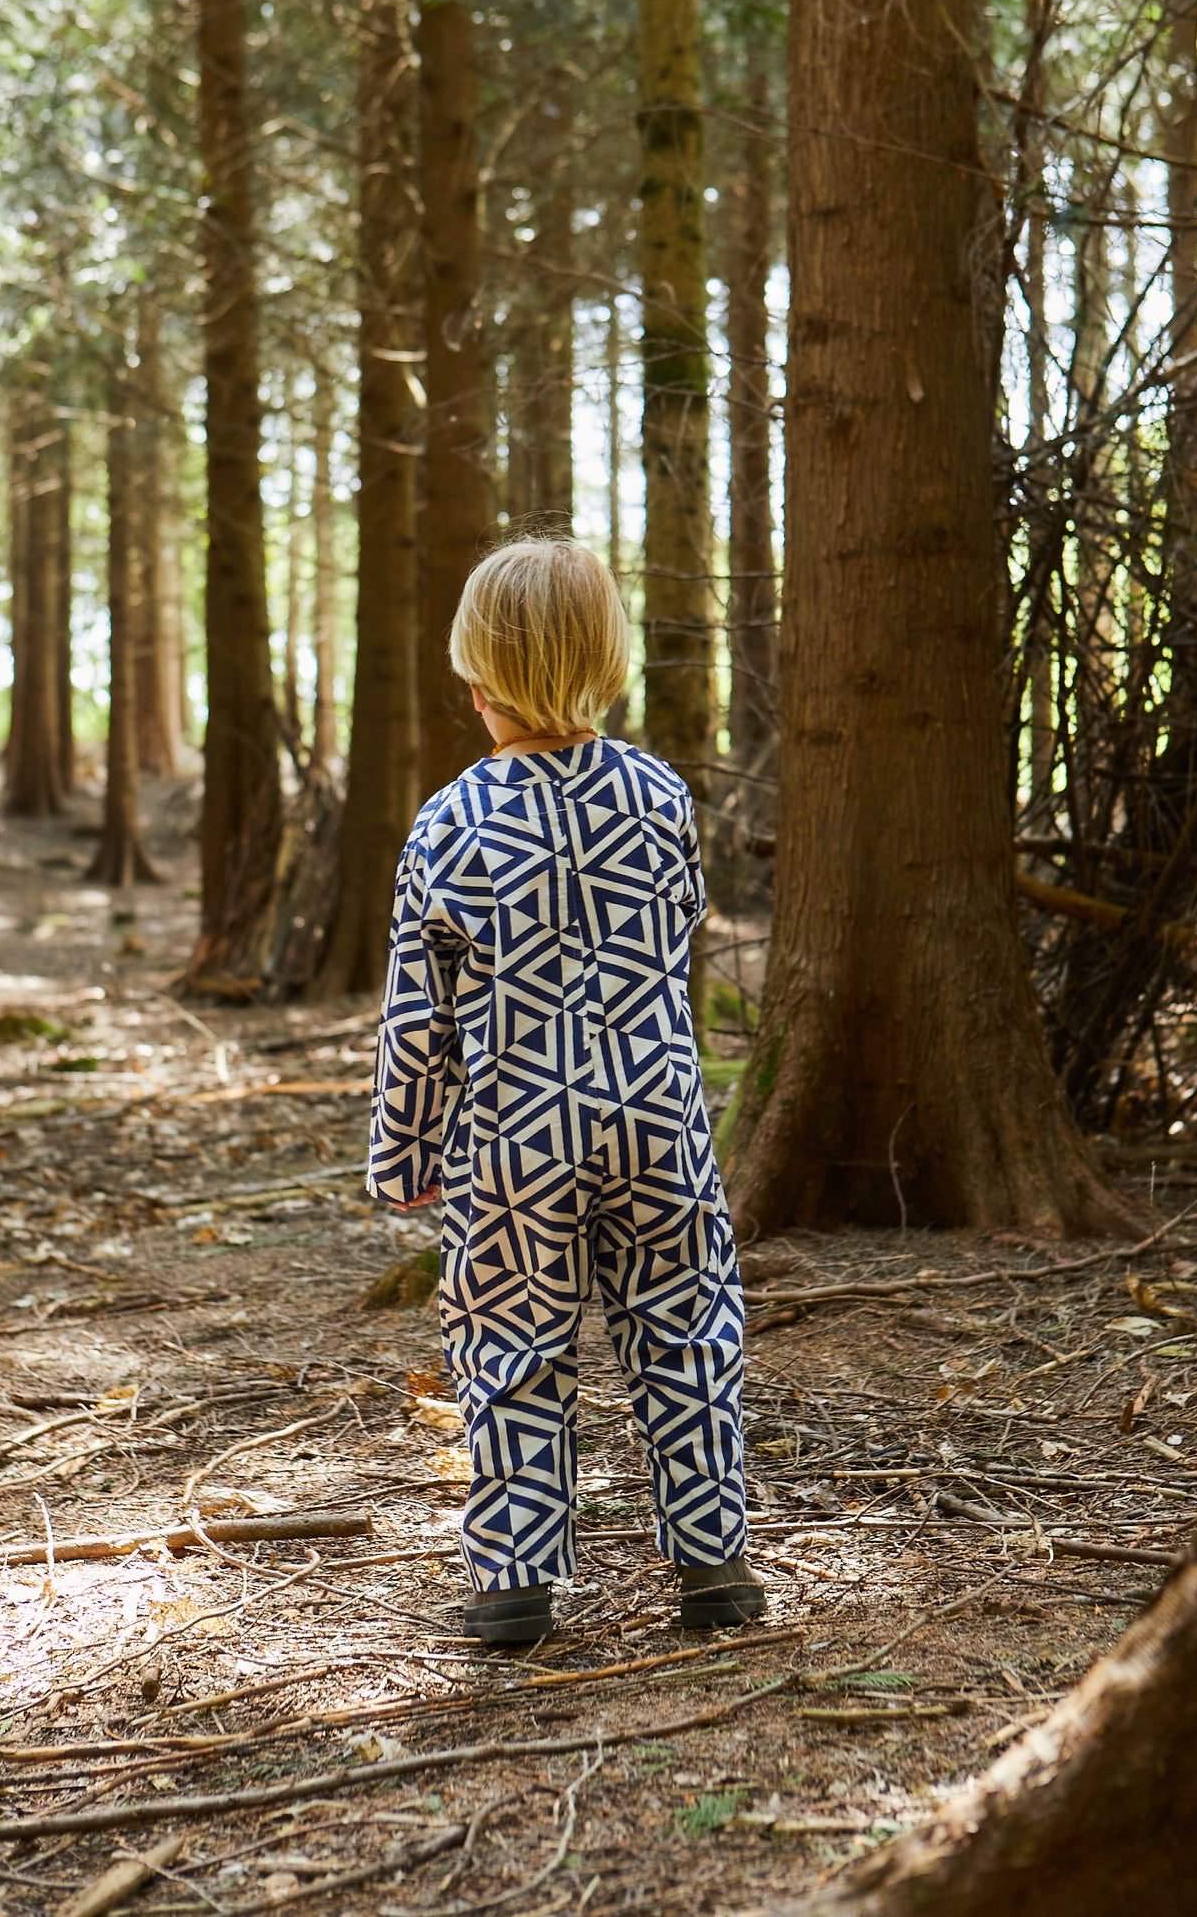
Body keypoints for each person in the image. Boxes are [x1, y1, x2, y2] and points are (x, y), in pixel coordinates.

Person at [367, 536, 764, 1646]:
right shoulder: (657, 796)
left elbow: (419, 1015)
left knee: (512, 1345)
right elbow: (674, 940)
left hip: (513, 1132)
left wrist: (403, 1155)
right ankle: (713, 1564)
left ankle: (513, 1579)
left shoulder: (450, 822)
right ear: (608, 660)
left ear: (477, 674)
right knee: (687, 1330)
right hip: (656, 1110)